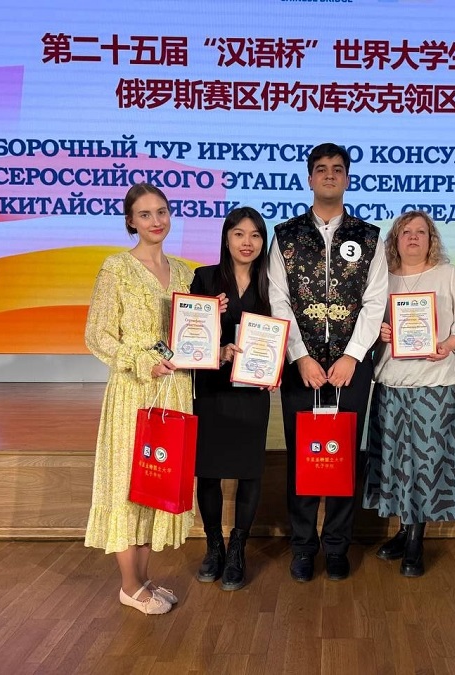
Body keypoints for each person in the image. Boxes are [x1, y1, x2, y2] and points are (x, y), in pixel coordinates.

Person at [268, 142, 388, 582]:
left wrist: (353, 355)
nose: (330, 175)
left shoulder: (369, 236)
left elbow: (375, 301)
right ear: (310, 178)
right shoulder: (285, 235)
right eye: (321, 169)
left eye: (338, 169)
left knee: (343, 457)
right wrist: (299, 356)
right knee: (304, 457)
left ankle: (337, 545)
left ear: (347, 178)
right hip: (301, 368)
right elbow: (278, 299)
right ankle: (303, 547)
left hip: (350, 369)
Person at [84, 183, 195, 615]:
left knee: (157, 482)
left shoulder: (184, 272)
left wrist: (213, 332)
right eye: (145, 214)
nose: (156, 221)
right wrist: (140, 361)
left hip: (174, 390)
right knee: (129, 483)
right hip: (134, 391)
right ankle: (129, 585)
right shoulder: (116, 268)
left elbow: (191, 335)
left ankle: (144, 580)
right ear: (131, 221)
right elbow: (98, 335)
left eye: (162, 211)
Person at [363, 211, 455, 577]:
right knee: (398, 462)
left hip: (435, 384)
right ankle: (403, 530)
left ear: (432, 240)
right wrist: (378, 332)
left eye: (421, 232)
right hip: (392, 384)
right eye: (406, 232)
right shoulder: (380, 278)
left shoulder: (448, 275)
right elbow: (363, 323)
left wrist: (450, 343)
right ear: (394, 240)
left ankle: (416, 539)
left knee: (427, 464)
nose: (413, 237)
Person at [190, 206, 273, 591]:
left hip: (254, 391)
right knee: (208, 471)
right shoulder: (205, 278)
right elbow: (189, 337)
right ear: (226, 238)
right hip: (213, 389)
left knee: (249, 470)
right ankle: (214, 546)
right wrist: (215, 338)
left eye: (255, 235)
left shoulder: (273, 283)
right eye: (239, 233)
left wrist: (277, 369)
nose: (247, 242)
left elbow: (284, 334)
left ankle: (238, 547)